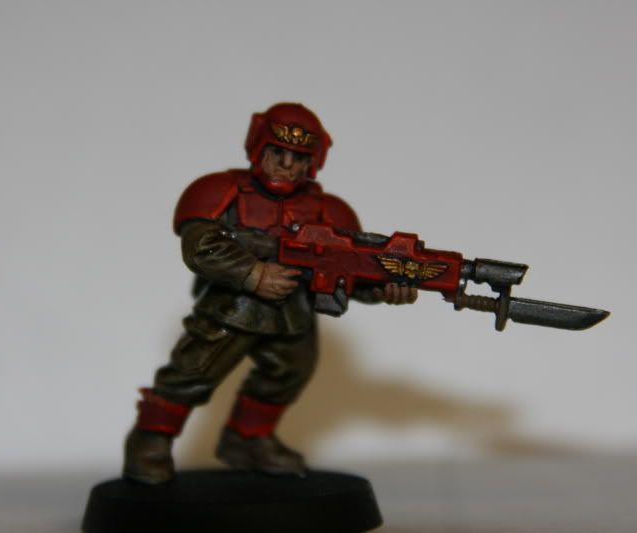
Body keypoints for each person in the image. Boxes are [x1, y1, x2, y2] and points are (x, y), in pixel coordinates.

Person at [123, 103, 417, 484]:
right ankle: (150, 440)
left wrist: (383, 288)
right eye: (277, 152)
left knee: (290, 373)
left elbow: (350, 271)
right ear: (258, 148)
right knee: (191, 372)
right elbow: (200, 246)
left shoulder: (329, 211)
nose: (286, 165)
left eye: (299, 157)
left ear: (312, 162)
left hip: (293, 313)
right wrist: (252, 273)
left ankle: (248, 440)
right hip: (231, 308)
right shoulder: (221, 191)